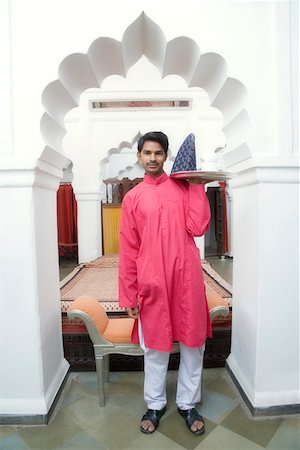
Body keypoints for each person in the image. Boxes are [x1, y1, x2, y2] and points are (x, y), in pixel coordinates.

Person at [118, 131, 212, 435]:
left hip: (186, 280)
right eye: (147, 153)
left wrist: (197, 188)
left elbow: (197, 226)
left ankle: (187, 403)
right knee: (156, 348)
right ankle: (155, 404)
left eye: (158, 153)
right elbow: (128, 248)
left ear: (166, 155)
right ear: (139, 156)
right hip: (152, 282)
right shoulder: (132, 198)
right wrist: (129, 295)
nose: (153, 158)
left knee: (192, 344)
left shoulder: (183, 189)